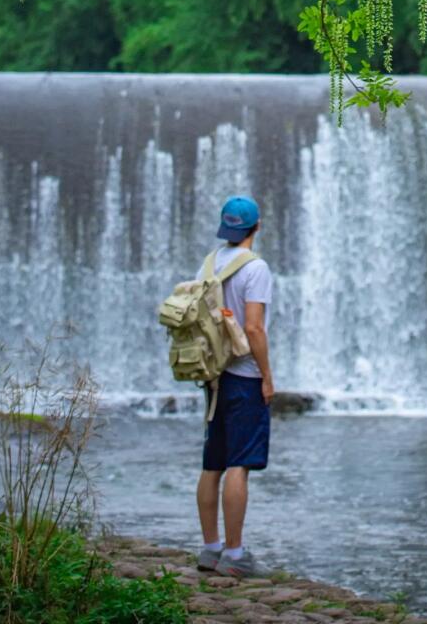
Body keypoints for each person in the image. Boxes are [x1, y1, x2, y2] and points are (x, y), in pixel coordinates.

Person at [194, 194, 274, 579]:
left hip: (213, 376)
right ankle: (236, 554)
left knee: (213, 464)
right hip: (243, 377)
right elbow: (254, 327)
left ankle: (210, 550)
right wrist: (268, 378)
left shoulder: (209, 263)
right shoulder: (255, 268)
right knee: (239, 465)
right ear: (256, 227)